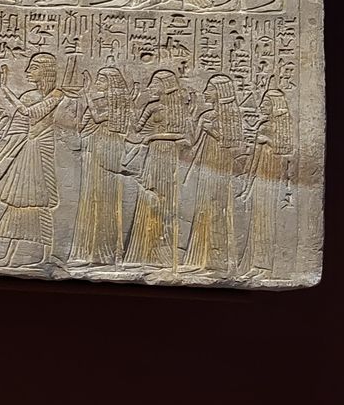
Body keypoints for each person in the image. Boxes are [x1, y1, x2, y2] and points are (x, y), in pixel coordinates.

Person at [0, 54, 64, 266]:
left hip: (41, 152)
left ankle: (45, 256)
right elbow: (18, 131)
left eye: (33, 67)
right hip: (26, 151)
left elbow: (30, 113)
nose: (28, 71)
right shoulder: (30, 95)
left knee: (40, 204)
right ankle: (9, 255)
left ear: (46, 71)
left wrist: (5, 89)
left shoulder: (57, 95)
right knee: (17, 203)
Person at [122, 68, 187, 270]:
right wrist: (133, 104)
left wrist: (153, 137)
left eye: (155, 84)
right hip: (155, 153)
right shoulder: (152, 106)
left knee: (166, 200)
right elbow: (137, 127)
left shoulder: (178, 109)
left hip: (168, 155)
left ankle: (164, 257)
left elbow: (182, 135)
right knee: (149, 197)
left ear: (166, 87)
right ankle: (143, 253)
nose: (151, 87)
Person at [184, 74, 245, 276]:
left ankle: (218, 262)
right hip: (207, 163)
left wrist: (212, 131)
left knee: (218, 207)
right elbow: (192, 140)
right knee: (203, 206)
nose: (205, 93)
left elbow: (233, 144)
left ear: (220, 93)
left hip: (221, 164)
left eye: (209, 89)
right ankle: (198, 258)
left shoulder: (231, 118)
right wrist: (193, 116)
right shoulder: (207, 115)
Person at [70, 66, 132, 266]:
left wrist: (87, 93)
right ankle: (86, 252)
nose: (97, 84)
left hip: (107, 152)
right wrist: (83, 102)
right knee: (90, 198)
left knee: (105, 200)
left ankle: (104, 255)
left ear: (111, 84)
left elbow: (97, 117)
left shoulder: (115, 105)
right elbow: (82, 127)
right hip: (93, 150)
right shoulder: (101, 102)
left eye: (101, 80)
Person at [239, 86, 293, 278]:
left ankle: (263, 267)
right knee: (259, 218)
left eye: (266, 103)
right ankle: (256, 264)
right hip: (263, 175)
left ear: (275, 107)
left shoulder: (278, 127)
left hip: (271, 176)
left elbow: (286, 153)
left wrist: (268, 141)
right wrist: (248, 183)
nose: (261, 106)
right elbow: (255, 158)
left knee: (265, 219)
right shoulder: (265, 126)